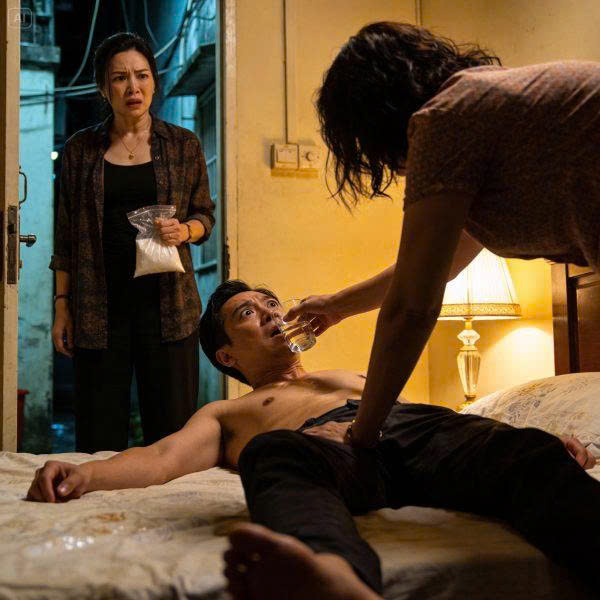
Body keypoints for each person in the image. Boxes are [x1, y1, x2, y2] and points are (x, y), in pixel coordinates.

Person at [28, 280, 599, 599]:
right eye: (248, 312)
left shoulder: (351, 374)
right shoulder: (230, 410)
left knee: (525, 452)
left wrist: (526, 443)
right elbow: (161, 458)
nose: (270, 311)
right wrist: (87, 474)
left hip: (400, 426)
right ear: (228, 355)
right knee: (271, 452)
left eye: (271, 302)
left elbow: (444, 428)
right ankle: (336, 578)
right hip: (325, 452)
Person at [284, 21, 600, 450]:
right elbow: (437, 266)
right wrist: (336, 306)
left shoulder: (445, 120)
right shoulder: (483, 110)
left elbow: (411, 306)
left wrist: (362, 433)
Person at [50, 32, 215, 453]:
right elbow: (65, 236)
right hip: (98, 309)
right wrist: (62, 306)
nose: (133, 87)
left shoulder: (183, 145)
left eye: (142, 75)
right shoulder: (80, 150)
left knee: (172, 433)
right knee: (98, 434)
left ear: (154, 82)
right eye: (120, 78)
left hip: (169, 306)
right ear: (104, 88)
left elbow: (204, 215)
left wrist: (186, 231)